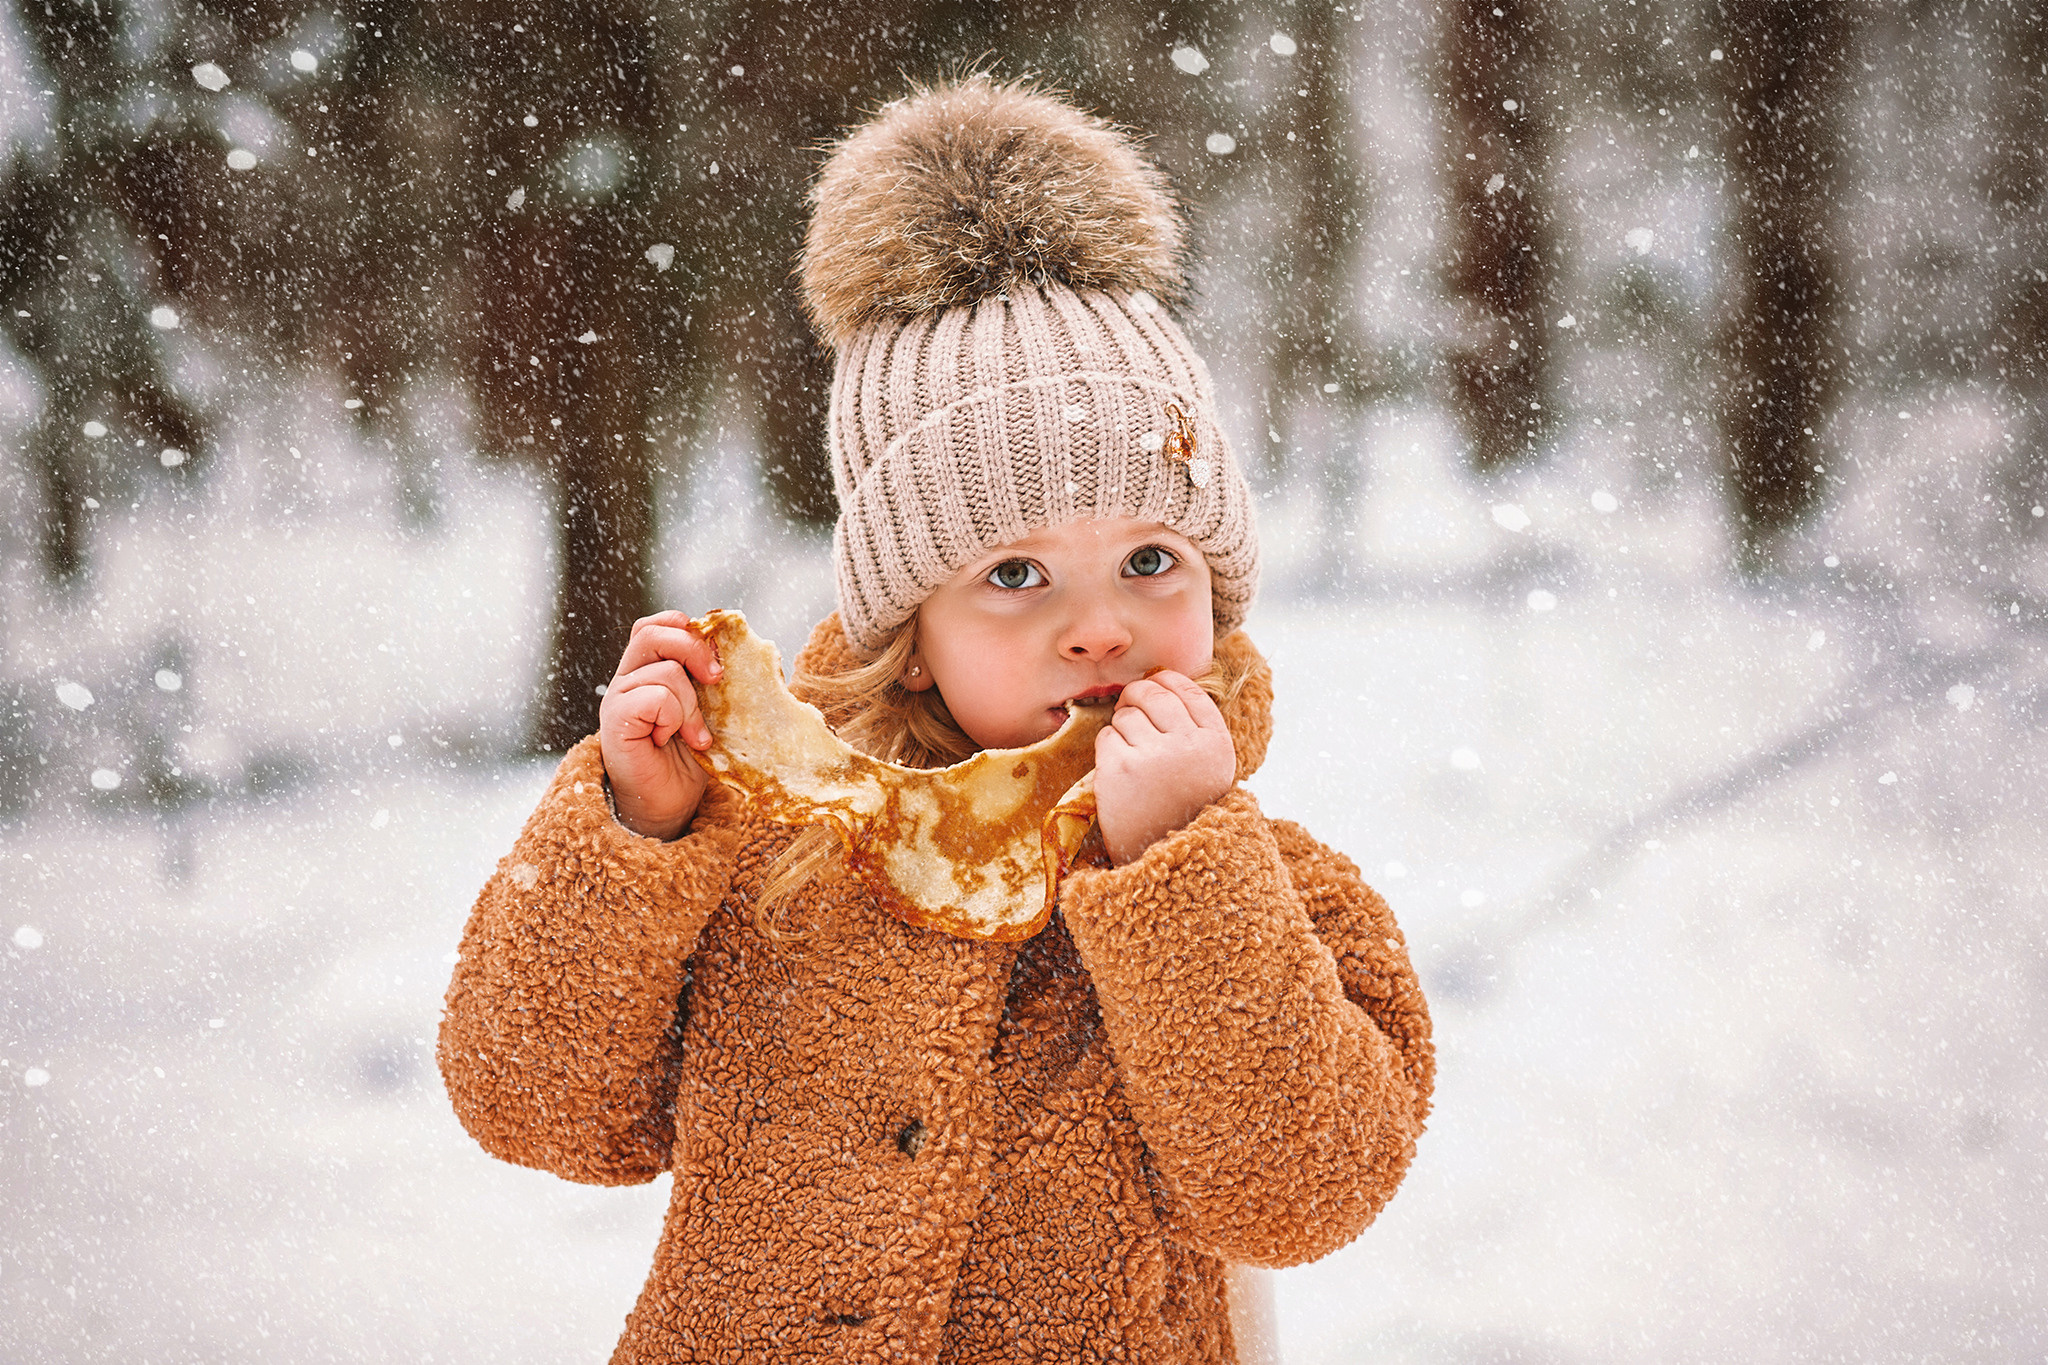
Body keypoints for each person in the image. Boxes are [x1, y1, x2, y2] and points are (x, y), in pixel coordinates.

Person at [439, 76, 1433, 1365]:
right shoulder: (774, 872)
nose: (1100, 628)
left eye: (1152, 560)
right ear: (908, 642)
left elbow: (1302, 1194)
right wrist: (639, 834)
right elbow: (536, 1104)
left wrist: (1179, 874)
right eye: (1015, 575)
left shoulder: (1276, 896)